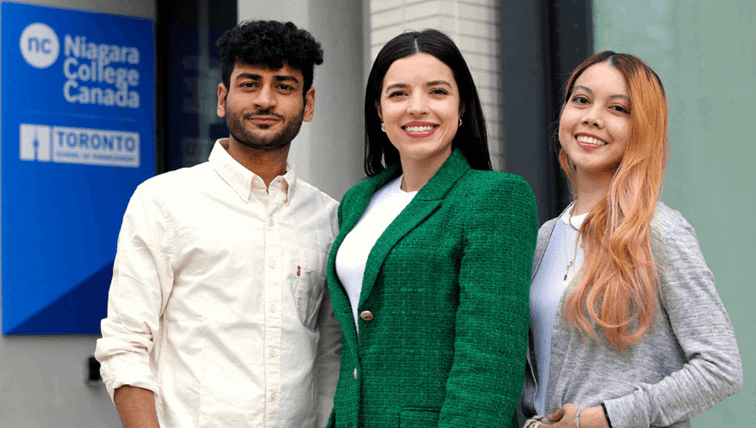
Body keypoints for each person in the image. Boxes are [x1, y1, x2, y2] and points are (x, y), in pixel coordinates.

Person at [95, 20, 342, 428]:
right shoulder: (163, 202)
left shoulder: (328, 218)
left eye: (283, 86)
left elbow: (329, 353)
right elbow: (125, 345)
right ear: (222, 97)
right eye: (249, 84)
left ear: (308, 102)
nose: (266, 100)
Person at [325, 29, 538, 427]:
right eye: (398, 93)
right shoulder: (357, 202)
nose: (417, 107)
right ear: (379, 109)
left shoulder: (496, 197)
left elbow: (490, 359)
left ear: (461, 107)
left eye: (437, 92)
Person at [518, 51, 743, 428]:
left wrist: (606, 417)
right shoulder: (545, 237)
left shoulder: (659, 231)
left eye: (618, 108)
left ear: (643, 128)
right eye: (582, 100)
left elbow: (721, 368)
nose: (592, 117)